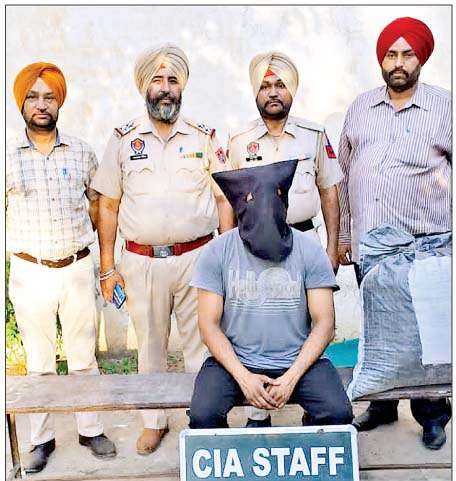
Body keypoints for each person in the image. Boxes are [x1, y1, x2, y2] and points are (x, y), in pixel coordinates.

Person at [92, 44, 235, 455]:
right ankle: (154, 422)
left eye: (173, 80)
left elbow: (224, 199)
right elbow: (108, 205)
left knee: (202, 345)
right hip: (141, 262)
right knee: (150, 347)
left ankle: (203, 418)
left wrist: (226, 255)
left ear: (182, 86)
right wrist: (108, 267)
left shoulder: (204, 136)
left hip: (199, 259)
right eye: (158, 80)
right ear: (144, 87)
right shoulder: (123, 139)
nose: (166, 88)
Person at [337, 17, 452, 449]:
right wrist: (344, 236)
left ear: (420, 58)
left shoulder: (444, 107)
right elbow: (343, 175)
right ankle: (382, 406)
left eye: (407, 54)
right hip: (372, 249)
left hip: (427, 246)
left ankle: (433, 415)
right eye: (390, 55)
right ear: (381, 60)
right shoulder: (361, 107)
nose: (398, 63)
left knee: (427, 336)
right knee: (378, 330)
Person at [6, 62, 117, 473]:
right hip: (30, 271)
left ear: (59, 103)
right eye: (33, 97)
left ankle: (90, 429)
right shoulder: (7, 156)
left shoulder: (82, 151)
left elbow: (98, 205)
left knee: (83, 356)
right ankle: (41, 439)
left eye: (48, 97)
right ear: (22, 104)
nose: (41, 104)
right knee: (39, 362)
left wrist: (100, 260)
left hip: (75, 267)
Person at [188, 160, 353, 429]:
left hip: (297, 359)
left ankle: (310, 433)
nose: (265, 209)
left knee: (337, 413)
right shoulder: (217, 252)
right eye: (254, 200)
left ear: (284, 202)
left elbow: (325, 323)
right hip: (236, 360)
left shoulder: (310, 251)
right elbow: (208, 325)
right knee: (203, 416)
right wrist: (244, 377)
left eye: (273, 197)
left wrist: (290, 378)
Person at [227, 50, 342, 427]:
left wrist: (331, 248)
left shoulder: (313, 135)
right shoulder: (240, 141)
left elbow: (329, 191)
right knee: (260, 329)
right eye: (265, 86)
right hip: (254, 250)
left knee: (310, 326)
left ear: (292, 90)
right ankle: (258, 412)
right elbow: (228, 201)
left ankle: (314, 407)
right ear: (255, 93)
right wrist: (229, 254)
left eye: (280, 85)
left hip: (305, 246)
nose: (273, 92)